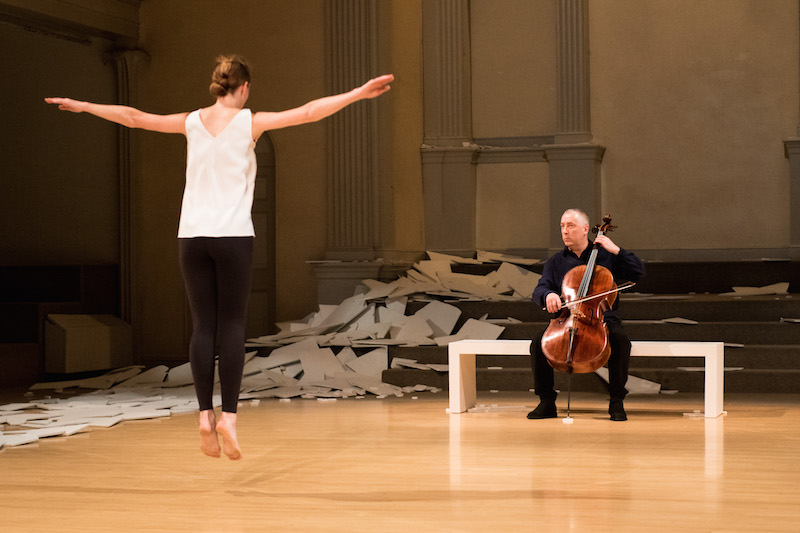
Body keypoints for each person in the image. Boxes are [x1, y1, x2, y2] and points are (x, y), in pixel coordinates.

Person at [46, 55, 394, 459]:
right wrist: (358, 93)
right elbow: (311, 112)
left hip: (191, 237)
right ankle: (228, 417)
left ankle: (203, 413)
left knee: (202, 326)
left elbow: (134, 116)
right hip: (233, 237)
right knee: (231, 323)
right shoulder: (250, 122)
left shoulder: (190, 122)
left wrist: (85, 105)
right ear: (244, 88)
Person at [528, 208, 645, 422]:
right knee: (538, 342)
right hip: (565, 317)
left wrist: (617, 250)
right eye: (562, 226)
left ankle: (616, 401)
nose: (564, 231)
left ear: (584, 229)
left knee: (619, 340)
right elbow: (539, 289)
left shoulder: (606, 256)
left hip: (602, 319)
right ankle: (546, 401)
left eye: (570, 226)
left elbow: (638, 272)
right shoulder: (555, 262)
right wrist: (548, 295)